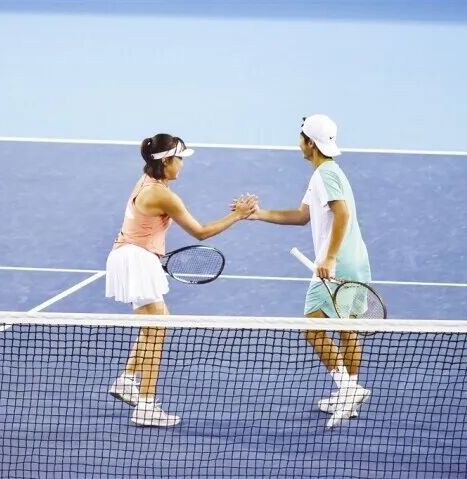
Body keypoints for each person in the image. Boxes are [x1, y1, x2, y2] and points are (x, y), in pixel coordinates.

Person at [106, 134, 256, 427]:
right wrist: (237, 216)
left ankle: (127, 380)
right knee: (157, 331)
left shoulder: (149, 182)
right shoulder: (163, 195)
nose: (182, 164)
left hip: (130, 255)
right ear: (166, 161)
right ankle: (146, 405)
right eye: (179, 159)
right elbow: (200, 232)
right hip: (135, 258)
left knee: (157, 322)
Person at [235, 114, 371, 428]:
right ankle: (348, 396)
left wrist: (330, 257)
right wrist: (259, 214)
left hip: (337, 263)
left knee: (311, 328)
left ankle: (348, 389)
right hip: (355, 260)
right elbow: (302, 216)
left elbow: (342, 214)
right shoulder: (327, 173)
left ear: (310, 142)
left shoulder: (325, 175)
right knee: (347, 330)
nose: (298, 143)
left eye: (301, 138)